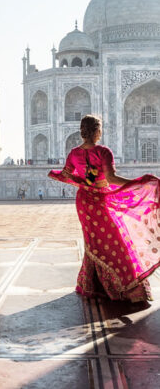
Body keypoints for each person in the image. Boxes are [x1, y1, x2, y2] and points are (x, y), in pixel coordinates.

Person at [49, 114, 160, 302]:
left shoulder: (74, 153)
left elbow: (66, 175)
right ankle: (123, 286)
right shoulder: (103, 151)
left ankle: (93, 284)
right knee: (115, 239)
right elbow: (111, 179)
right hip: (100, 199)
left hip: (84, 201)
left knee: (94, 242)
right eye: (100, 129)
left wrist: (83, 183)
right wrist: (137, 183)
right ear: (97, 131)